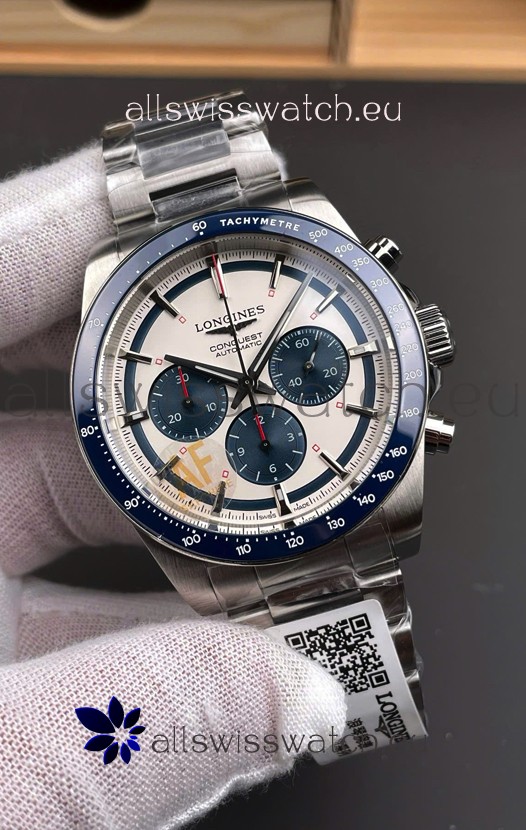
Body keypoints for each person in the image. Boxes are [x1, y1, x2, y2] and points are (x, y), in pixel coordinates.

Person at [0, 142, 346, 829]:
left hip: (282, 470)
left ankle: (207, 145)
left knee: (215, 156)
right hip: (197, 475)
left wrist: (193, 149)